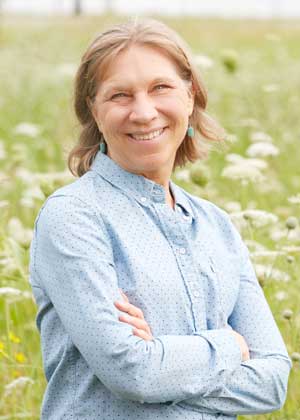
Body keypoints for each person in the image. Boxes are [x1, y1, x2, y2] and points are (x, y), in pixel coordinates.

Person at [29, 18, 291, 420]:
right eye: (119, 95)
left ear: (190, 97)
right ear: (94, 113)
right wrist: (228, 346)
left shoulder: (216, 224)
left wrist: (161, 362)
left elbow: (272, 381)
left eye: (160, 88)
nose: (143, 112)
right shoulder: (73, 218)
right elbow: (133, 374)